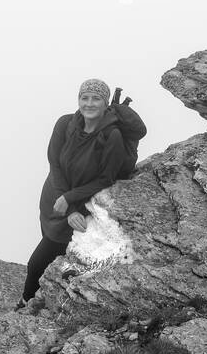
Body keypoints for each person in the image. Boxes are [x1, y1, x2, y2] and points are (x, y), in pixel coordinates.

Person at [16, 78, 144, 310]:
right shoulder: (65, 124)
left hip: (77, 204)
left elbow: (105, 179)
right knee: (51, 252)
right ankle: (41, 298)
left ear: (106, 104)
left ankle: (25, 303)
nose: (89, 103)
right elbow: (54, 165)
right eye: (84, 98)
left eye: (96, 98)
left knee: (38, 262)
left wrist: (72, 204)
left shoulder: (111, 136)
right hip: (54, 200)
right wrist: (66, 203)